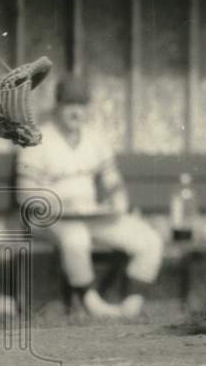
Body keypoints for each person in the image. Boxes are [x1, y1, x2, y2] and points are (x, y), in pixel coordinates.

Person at [16, 74, 163, 319]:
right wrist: (58, 204)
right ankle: (92, 305)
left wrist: (118, 199)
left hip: (90, 214)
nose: (77, 112)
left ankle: (131, 305)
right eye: (70, 105)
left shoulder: (95, 138)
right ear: (57, 106)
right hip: (48, 218)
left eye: (82, 106)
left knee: (149, 239)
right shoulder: (37, 139)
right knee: (76, 238)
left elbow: (112, 180)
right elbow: (24, 194)